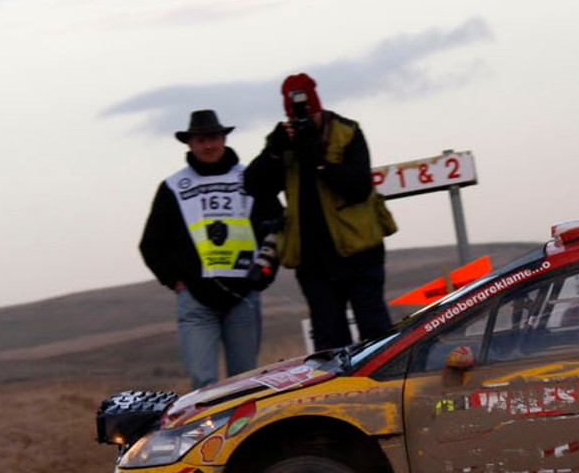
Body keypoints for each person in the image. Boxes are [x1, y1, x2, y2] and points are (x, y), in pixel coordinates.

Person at [245, 74, 398, 350]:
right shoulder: (284, 142)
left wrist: (319, 161)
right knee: (330, 345)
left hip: (360, 253)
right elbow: (254, 187)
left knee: (376, 336)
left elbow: (359, 188)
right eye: (297, 118)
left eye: (310, 115)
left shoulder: (347, 132)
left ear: (319, 107)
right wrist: (274, 152)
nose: (305, 122)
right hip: (313, 263)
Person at [139, 109, 282, 388]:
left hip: (243, 297)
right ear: (190, 144)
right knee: (202, 383)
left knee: (246, 382)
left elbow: (278, 227)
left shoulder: (251, 179)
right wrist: (176, 282)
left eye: (213, 138)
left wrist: (264, 275)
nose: (208, 145)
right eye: (200, 140)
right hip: (195, 301)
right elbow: (151, 243)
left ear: (223, 139)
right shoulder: (172, 187)